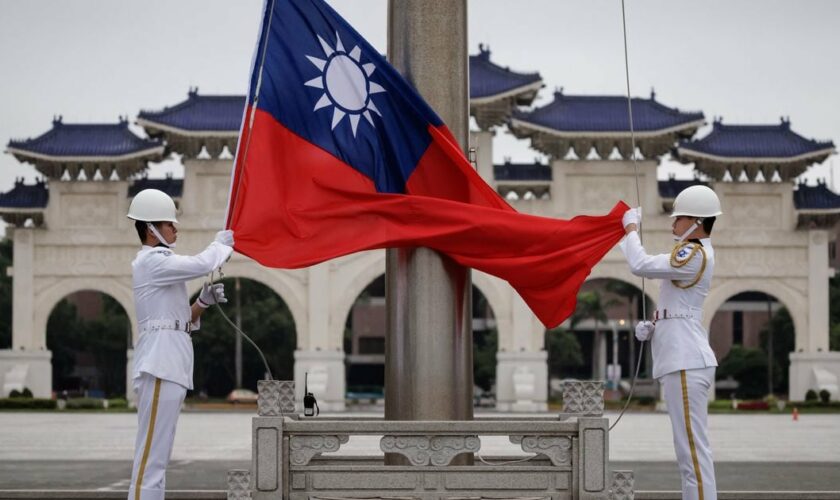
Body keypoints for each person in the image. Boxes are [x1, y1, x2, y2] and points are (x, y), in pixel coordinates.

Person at [125, 188, 234, 500]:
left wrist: (203, 301)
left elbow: (179, 319)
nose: (176, 229)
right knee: (151, 457)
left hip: (171, 362)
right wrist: (220, 244)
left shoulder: (161, 264)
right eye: (169, 224)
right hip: (160, 364)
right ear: (151, 229)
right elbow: (202, 264)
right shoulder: (152, 261)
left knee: (159, 455)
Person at [620, 185, 721, 500]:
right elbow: (681, 308)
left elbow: (641, 265)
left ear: (696, 221)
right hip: (681, 358)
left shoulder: (693, 252)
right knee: (687, 452)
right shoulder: (693, 253)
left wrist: (631, 229)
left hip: (686, 361)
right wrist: (655, 326)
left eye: (678, 218)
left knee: (692, 452)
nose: (673, 224)